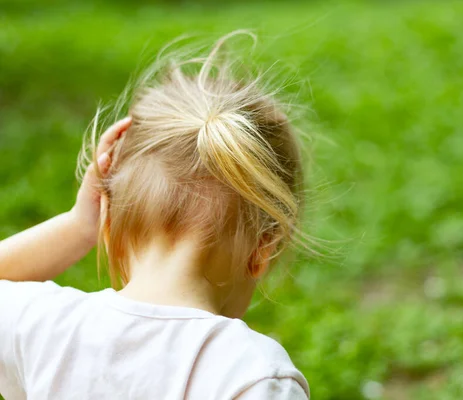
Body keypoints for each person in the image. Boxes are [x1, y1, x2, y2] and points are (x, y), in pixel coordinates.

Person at [0, 32, 310, 399]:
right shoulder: (254, 374)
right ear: (262, 250)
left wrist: (77, 226)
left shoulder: (49, 327)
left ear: (107, 219)